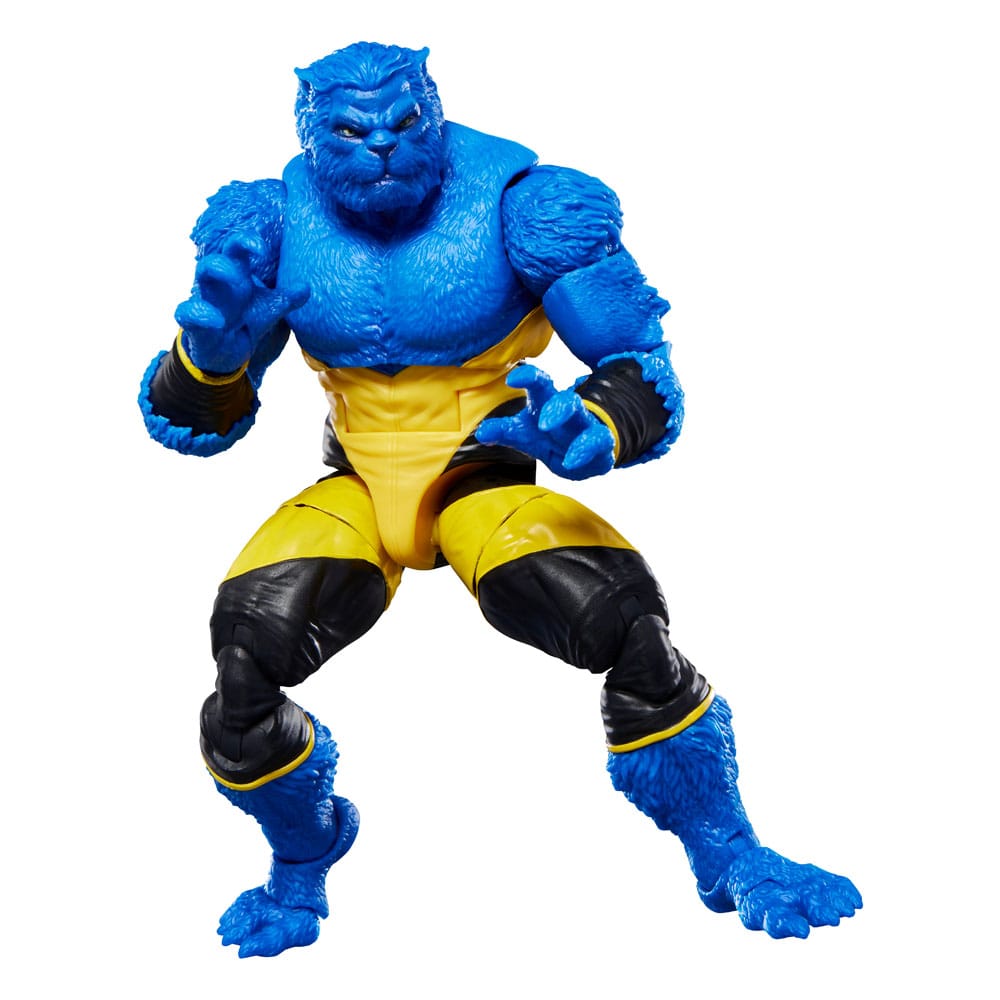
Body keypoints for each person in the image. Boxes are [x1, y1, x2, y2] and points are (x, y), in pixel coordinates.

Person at [140, 41, 860, 958]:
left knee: (632, 632)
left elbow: (638, 366)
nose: (383, 146)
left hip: (482, 478)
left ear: (434, 109)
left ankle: (732, 852)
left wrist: (591, 427)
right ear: (310, 133)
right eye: (351, 131)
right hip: (356, 487)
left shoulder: (526, 206)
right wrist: (208, 359)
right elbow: (194, 416)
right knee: (241, 676)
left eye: (405, 122)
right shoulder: (266, 221)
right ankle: (302, 858)